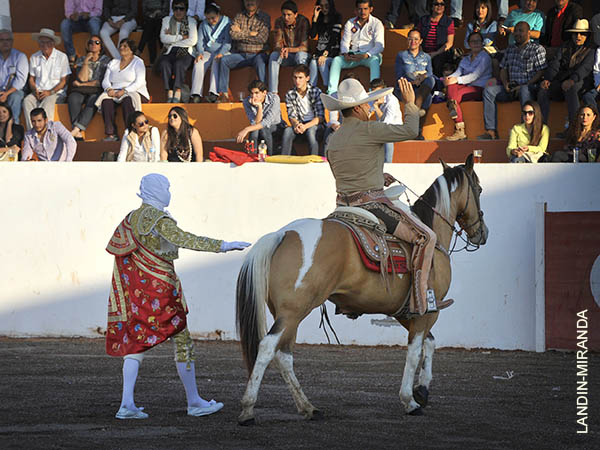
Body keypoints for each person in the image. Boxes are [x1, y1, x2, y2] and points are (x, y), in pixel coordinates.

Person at [106, 173, 250, 419]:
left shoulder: (131, 219)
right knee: (182, 341)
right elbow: (185, 239)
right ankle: (194, 401)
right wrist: (224, 245)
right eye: (166, 187)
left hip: (140, 293)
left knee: (136, 343)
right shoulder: (160, 220)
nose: (168, 192)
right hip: (162, 291)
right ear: (156, 190)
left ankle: (126, 404)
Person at [321, 77, 451, 316]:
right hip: (372, 206)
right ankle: (420, 300)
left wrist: (377, 175)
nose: (370, 108)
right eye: (367, 105)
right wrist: (410, 103)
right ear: (358, 108)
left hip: (341, 208)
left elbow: (348, 172)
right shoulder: (369, 129)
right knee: (427, 237)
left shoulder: (334, 138)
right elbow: (411, 130)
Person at [479, 22, 546, 140]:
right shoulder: (510, 49)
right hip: (511, 87)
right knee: (489, 91)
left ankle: (526, 131)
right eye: (516, 31)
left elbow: (541, 72)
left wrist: (526, 84)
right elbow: (504, 69)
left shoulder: (537, 49)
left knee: (524, 90)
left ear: (529, 33)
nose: (518, 34)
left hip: (529, 87)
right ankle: (491, 131)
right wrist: (505, 83)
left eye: (521, 31)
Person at [537, 19, 594, 129]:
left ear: (587, 35)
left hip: (582, 83)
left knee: (571, 88)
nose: (578, 36)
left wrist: (572, 80)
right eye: (575, 33)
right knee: (543, 90)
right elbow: (555, 64)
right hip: (562, 81)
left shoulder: (591, 49)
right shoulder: (565, 47)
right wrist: (547, 79)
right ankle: (541, 129)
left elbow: (584, 69)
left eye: (582, 34)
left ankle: (575, 128)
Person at [327, 0, 385, 95]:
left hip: (369, 56)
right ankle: (332, 92)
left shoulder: (377, 23)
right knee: (337, 60)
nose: (363, 12)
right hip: (353, 55)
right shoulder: (350, 23)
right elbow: (345, 42)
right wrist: (345, 54)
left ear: (371, 9)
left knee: (375, 61)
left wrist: (366, 55)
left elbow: (380, 46)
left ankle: (374, 92)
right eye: (360, 9)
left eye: (365, 9)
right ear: (355, 10)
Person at [217, 0, 270, 103]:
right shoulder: (239, 16)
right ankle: (223, 94)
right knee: (224, 60)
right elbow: (233, 35)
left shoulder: (264, 17)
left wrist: (241, 32)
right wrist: (252, 34)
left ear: (258, 2)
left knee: (260, 62)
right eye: (247, 0)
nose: (250, 3)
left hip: (257, 54)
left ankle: (264, 95)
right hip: (241, 54)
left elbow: (262, 38)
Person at [97, 39, 149, 141]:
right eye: (120, 46)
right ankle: (111, 134)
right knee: (106, 101)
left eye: (125, 46)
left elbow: (140, 82)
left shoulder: (138, 62)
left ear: (131, 49)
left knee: (127, 101)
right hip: (114, 91)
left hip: (133, 91)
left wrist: (125, 91)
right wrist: (108, 89)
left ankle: (130, 132)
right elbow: (105, 80)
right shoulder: (113, 62)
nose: (121, 48)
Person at [443, 31, 492, 140]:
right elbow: (458, 72)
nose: (475, 43)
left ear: (482, 43)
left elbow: (475, 75)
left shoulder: (485, 57)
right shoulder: (465, 59)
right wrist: (449, 78)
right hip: (465, 85)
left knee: (454, 94)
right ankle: (458, 124)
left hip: (478, 88)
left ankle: (458, 124)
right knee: (451, 86)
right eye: (473, 41)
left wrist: (457, 80)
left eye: (478, 41)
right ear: (469, 44)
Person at [23, 29, 71, 130]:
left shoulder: (62, 57)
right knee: (27, 101)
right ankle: (32, 134)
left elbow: (64, 81)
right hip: (38, 92)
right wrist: (34, 90)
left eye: (48, 42)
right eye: (42, 42)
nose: (45, 45)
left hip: (56, 92)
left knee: (47, 103)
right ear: (38, 43)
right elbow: (31, 79)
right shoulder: (34, 57)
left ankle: (47, 133)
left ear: (53, 43)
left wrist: (50, 92)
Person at [67, 35, 110, 141]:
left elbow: (98, 83)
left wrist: (81, 85)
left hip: (97, 90)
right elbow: (82, 78)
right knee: (73, 98)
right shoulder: (82, 59)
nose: (93, 44)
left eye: (97, 42)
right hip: (82, 90)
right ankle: (77, 132)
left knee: (93, 101)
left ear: (101, 46)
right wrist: (86, 61)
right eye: (91, 42)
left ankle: (76, 129)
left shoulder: (106, 61)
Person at [395, 28, 435, 138]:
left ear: (421, 41)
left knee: (431, 80)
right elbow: (399, 75)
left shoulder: (426, 57)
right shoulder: (401, 55)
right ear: (407, 40)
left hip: (422, 86)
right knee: (428, 98)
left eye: (416, 39)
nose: (413, 42)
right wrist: (412, 81)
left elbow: (430, 73)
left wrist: (421, 78)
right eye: (410, 39)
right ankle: (417, 130)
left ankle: (416, 117)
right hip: (407, 87)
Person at [191, 2, 231, 103]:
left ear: (218, 14)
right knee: (198, 63)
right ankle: (196, 94)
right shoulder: (204, 24)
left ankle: (213, 93)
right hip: (207, 51)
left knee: (217, 62)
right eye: (208, 18)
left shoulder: (226, 22)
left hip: (223, 51)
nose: (211, 21)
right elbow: (200, 41)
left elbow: (227, 42)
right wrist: (199, 52)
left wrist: (221, 53)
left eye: (213, 18)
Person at [159, 0, 198, 103]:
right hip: (171, 50)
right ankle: (170, 90)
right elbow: (163, 38)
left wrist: (171, 39)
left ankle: (177, 90)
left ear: (186, 10)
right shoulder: (167, 20)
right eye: (176, 8)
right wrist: (181, 37)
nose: (178, 11)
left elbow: (193, 41)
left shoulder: (191, 21)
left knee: (179, 64)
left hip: (186, 50)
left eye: (181, 9)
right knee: (164, 63)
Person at [268, 1, 312, 95]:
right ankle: (273, 93)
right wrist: (281, 50)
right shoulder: (279, 21)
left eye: (289, 15)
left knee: (300, 56)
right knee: (273, 56)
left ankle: (302, 91)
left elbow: (305, 47)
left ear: (295, 14)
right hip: (287, 56)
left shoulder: (303, 21)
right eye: (284, 14)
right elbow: (277, 44)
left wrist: (289, 49)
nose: (286, 18)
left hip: (302, 54)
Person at [281, 64, 325, 156]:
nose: (297, 81)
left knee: (311, 131)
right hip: (299, 124)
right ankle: (284, 161)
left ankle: (314, 161)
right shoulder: (290, 94)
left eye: (300, 77)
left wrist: (306, 126)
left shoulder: (316, 91)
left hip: (315, 125)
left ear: (307, 78)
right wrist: (297, 124)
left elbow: (320, 117)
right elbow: (291, 115)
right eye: (295, 77)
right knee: (288, 131)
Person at [236, 79, 281, 154]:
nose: (254, 96)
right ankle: (251, 157)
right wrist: (259, 107)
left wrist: (247, 129)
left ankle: (270, 157)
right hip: (259, 129)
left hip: (276, 127)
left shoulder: (274, 98)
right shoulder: (247, 102)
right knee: (254, 131)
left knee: (262, 129)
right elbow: (255, 123)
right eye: (251, 93)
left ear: (264, 93)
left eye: (257, 93)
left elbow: (267, 122)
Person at [417, 0, 456, 78]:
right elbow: (417, 38)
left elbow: (449, 43)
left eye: (442, 4)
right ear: (431, 6)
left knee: (438, 62)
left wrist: (435, 53)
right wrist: (422, 53)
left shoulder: (448, 21)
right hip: (424, 52)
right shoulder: (423, 20)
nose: (439, 6)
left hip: (441, 53)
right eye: (436, 4)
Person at [308, 0, 342, 90]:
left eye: (326, 6)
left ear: (331, 5)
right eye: (321, 6)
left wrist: (325, 54)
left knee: (321, 63)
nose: (324, 8)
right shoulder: (319, 18)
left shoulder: (337, 17)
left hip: (332, 51)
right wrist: (314, 19)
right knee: (312, 62)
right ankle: (312, 90)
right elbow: (312, 35)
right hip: (320, 51)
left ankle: (328, 89)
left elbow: (334, 38)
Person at [370, 78, 403, 162]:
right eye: (374, 92)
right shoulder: (373, 97)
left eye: (378, 92)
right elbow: (367, 113)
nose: (376, 95)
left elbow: (387, 123)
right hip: (383, 127)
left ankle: (388, 163)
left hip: (395, 128)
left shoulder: (392, 101)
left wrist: (376, 107)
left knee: (387, 136)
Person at [0, 29, 28, 124]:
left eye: (8, 40)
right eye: (2, 40)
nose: (5, 42)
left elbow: (21, 80)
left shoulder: (20, 56)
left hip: (14, 90)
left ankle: (14, 126)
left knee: (15, 97)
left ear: (12, 42)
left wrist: (6, 94)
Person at [138, 0, 170, 65]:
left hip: (161, 21)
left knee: (151, 30)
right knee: (151, 27)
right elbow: (144, 12)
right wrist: (152, 15)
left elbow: (166, 12)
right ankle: (153, 62)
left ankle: (140, 49)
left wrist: (157, 13)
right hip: (149, 20)